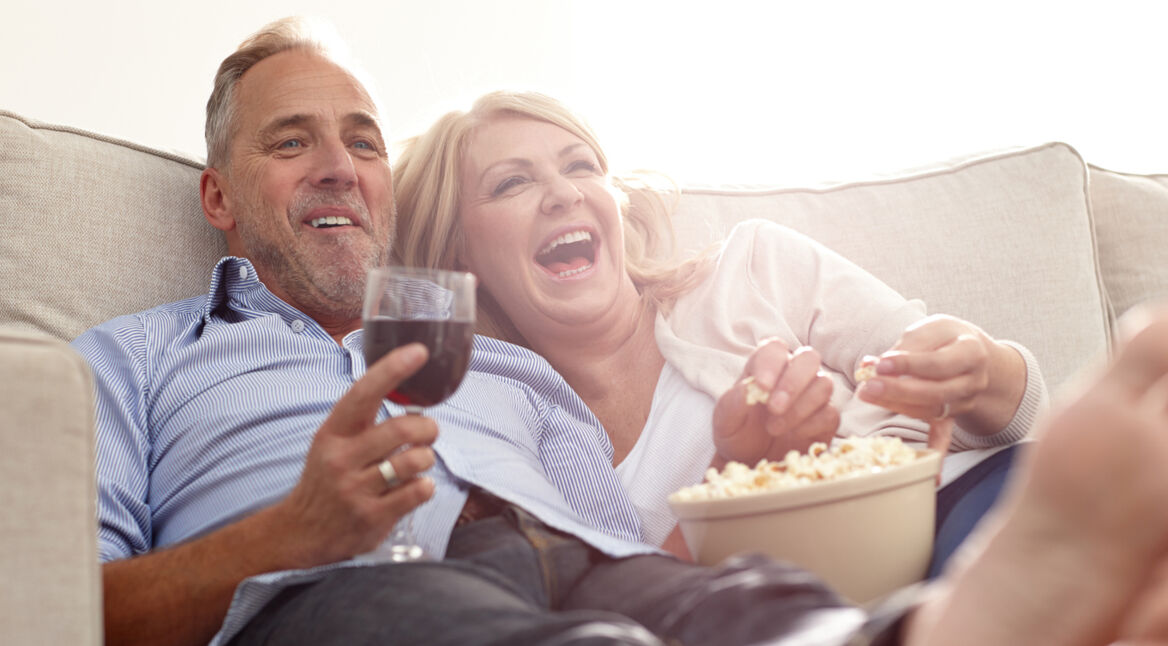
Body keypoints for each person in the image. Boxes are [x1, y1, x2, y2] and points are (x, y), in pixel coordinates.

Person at [74, 15, 1168, 646]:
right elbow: (50, 602)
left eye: (363, 142)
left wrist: (740, 481)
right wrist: (289, 535)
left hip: (582, 573)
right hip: (338, 592)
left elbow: (647, 550)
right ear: (218, 196)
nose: (338, 166)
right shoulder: (132, 361)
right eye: (291, 142)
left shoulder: (503, 362)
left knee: (735, 605)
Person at [392, 90, 1048, 570]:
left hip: (949, 509)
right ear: (458, 256)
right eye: (511, 183)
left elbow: (1002, 419)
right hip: (800, 613)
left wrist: (980, 370)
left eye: (581, 166)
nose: (565, 194)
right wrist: (738, 478)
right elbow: (624, 605)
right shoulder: (502, 430)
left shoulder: (754, 267)